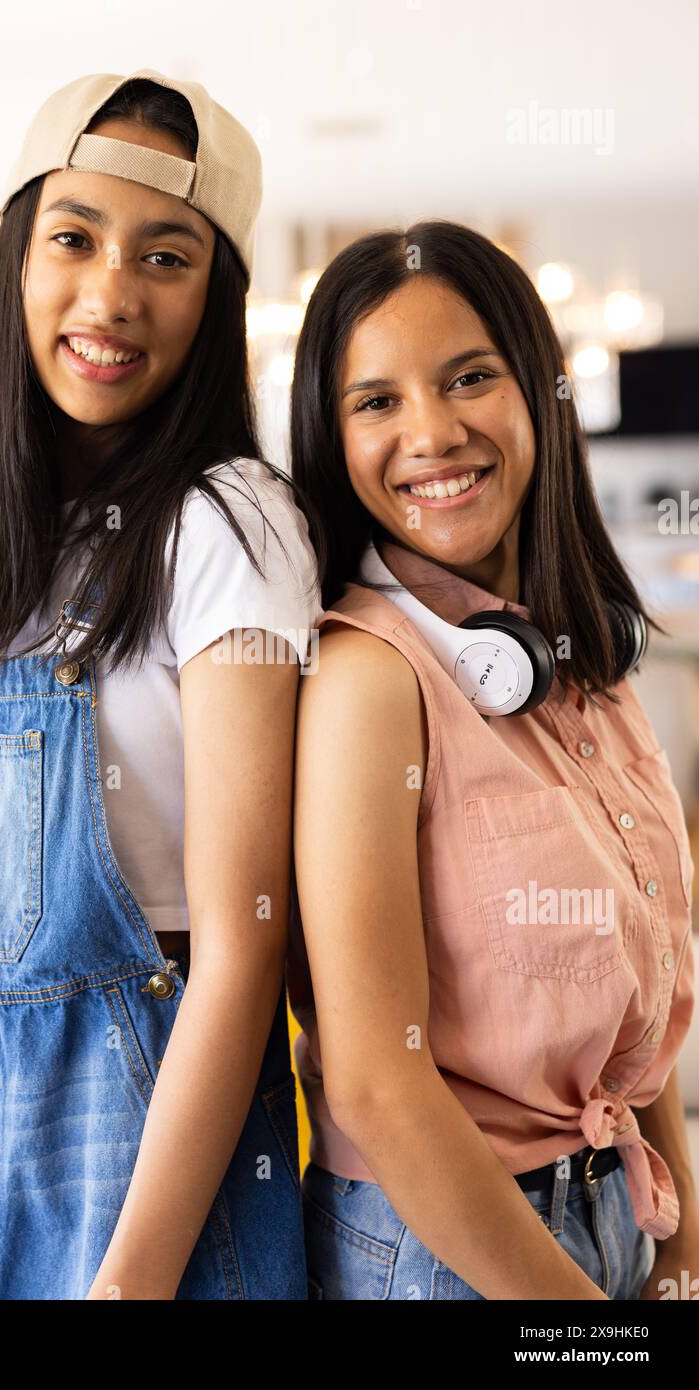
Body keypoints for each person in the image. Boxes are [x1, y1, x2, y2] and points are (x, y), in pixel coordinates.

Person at [0, 69, 320, 1301]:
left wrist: (131, 1280)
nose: (112, 293)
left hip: (147, 1162)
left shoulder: (230, 524)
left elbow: (243, 948)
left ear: (215, 299)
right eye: (75, 237)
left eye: (168, 256)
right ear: (20, 255)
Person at [287, 219, 697, 1300]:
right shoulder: (367, 679)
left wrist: (684, 1243)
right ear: (334, 439)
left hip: (619, 1210)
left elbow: (641, 994)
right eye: (376, 400)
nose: (431, 433)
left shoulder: (585, 662)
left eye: (469, 376)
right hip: (450, 1249)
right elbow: (377, 1083)